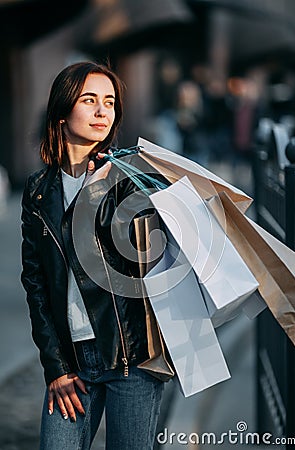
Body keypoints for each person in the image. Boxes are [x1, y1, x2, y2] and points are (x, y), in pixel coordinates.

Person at [20, 61, 169, 450]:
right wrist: (56, 367)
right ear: (63, 110)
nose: (103, 111)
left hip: (132, 359)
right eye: (90, 100)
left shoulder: (128, 176)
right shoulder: (38, 191)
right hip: (73, 364)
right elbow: (34, 284)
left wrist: (109, 192)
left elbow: (156, 257)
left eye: (110, 102)